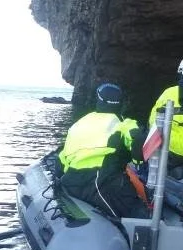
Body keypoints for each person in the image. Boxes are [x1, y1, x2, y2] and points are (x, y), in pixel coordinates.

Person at [59, 82, 146, 220]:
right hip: (101, 183)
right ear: (120, 103)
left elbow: (63, 160)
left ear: (98, 100)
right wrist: (139, 162)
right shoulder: (123, 123)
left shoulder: (77, 125)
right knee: (139, 214)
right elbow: (137, 140)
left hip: (71, 182)